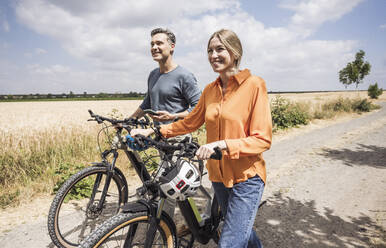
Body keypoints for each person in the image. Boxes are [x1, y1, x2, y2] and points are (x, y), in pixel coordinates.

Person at [131, 29, 272, 247]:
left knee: (230, 242)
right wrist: (154, 131)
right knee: (242, 232)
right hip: (218, 177)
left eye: (219, 49)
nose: (213, 55)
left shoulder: (254, 85)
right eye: (209, 51)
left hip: (247, 177)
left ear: (234, 52)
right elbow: (190, 122)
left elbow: (262, 139)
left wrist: (223, 144)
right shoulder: (210, 90)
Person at [130, 28, 201, 124]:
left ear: (172, 47)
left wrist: (173, 116)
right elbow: (147, 104)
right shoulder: (153, 74)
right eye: (152, 44)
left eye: (159, 43)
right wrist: (127, 121)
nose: (154, 47)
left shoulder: (184, 76)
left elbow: (199, 107)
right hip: (157, 134)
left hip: (177, 136)